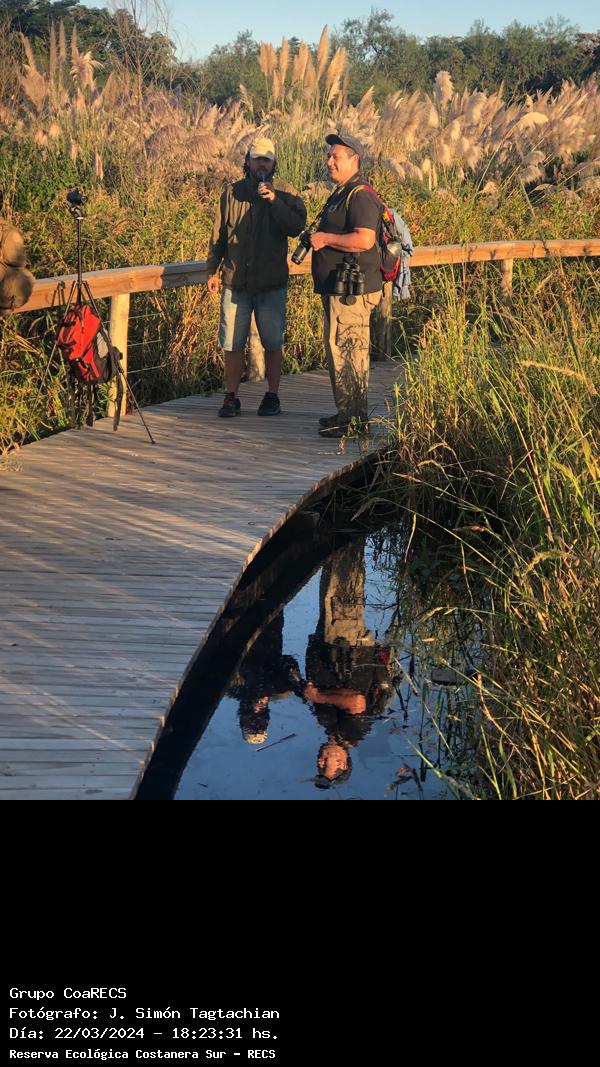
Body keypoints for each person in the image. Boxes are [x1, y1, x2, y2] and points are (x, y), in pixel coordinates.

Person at [206, 136, 307, 418]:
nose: (261, 164)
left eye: (266, 160)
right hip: (235, 281)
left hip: (270, 282)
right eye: (257, 159)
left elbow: (296, 227)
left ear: (274, 163)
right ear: (248, 162)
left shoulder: (286, 192)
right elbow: (218, 236)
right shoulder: (231, 193)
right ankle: (231, 396)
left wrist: (274, 201)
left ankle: (272, 396)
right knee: (232, 343)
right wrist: (212, 270)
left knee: (273, 342)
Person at [302, 539, 394, 788]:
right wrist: (318, 697)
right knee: (345, 571)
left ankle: (339, 531)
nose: (320, 760)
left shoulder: (334, 730)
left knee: (332, 571)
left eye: (318, 764)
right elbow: (356, 702)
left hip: (334, 639)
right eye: (326, 765)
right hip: (346, 641)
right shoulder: (352, 735)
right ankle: (349, 528)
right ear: (343, 763)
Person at [309, 132, 383, 438]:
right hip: (339, 289)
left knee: (349, 350)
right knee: (339, 349)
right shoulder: (342, 193)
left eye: (335, 156)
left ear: (355, 160)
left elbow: (364, 240)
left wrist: (325, 239)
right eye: (328, 156)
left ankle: (353, 422)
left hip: (352, 293)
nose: (329, 161)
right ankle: (347, 413)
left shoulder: (360, 195)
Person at [228, 612, 302, 746]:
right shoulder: (280, 690)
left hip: (241, 624)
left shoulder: (231, 687)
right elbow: (289, 662)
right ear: (267, 721)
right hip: (271, 625)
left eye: (251, 724)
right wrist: (293, 683)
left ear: (242, 720)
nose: (257, 722)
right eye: (261, 725)